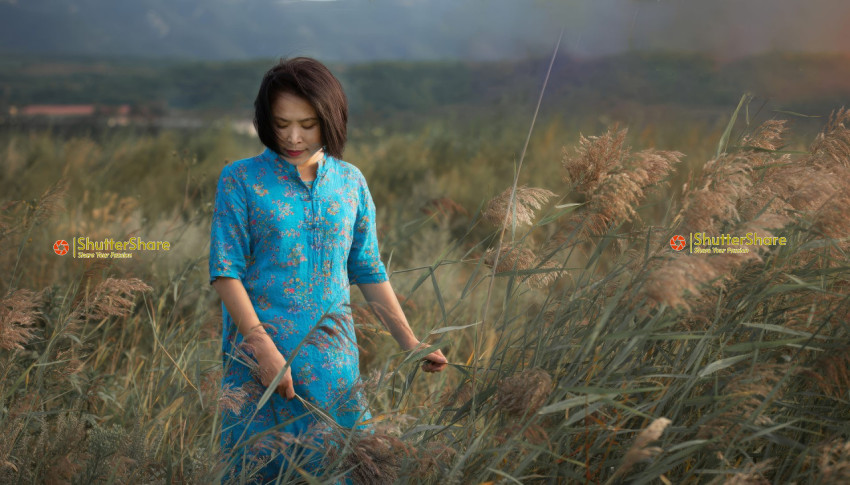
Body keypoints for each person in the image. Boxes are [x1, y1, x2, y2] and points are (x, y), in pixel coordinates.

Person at [209, 57, 448, 483]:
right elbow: (226, 271)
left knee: (344, 470)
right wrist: (263, 349)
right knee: (259, 470)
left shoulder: (350, 183)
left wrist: (410, 341)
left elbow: (368, 269)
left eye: (308, 124)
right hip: (262, 370)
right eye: (281, 124)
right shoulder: (240, 180)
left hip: (334, 371)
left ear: (331, 120)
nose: (293, 137)